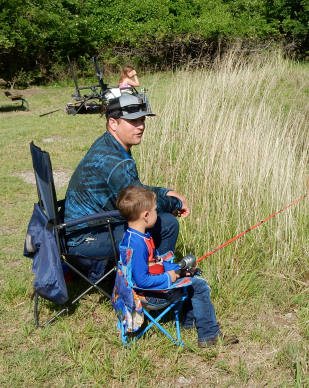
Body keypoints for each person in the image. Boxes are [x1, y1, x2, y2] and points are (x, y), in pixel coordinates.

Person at [64, 95, 189, 281]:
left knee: (158, 216)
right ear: (113, 123)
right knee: (167, 223)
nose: (141, 126)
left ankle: (150, 272)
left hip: (78, 233)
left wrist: (165, 192)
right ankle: (155, 287)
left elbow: (133, 189)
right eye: (133, 121)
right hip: (84, 241)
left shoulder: (108, 144)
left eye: (142, 120)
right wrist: (175, 202)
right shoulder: (116, 160)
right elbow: (141, 207)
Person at [116, 185, 238, 347]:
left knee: (192, 274)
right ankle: (209, 335)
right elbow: (142, 280)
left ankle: (189, 322)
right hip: (147, 296)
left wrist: (177, 270)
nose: (157, 213)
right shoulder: (138, 245)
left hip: (148, 289)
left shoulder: (136, 236)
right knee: (199, 284)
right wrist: (170, 277)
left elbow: (155, 264)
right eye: (155, 210)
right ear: (145, 215)